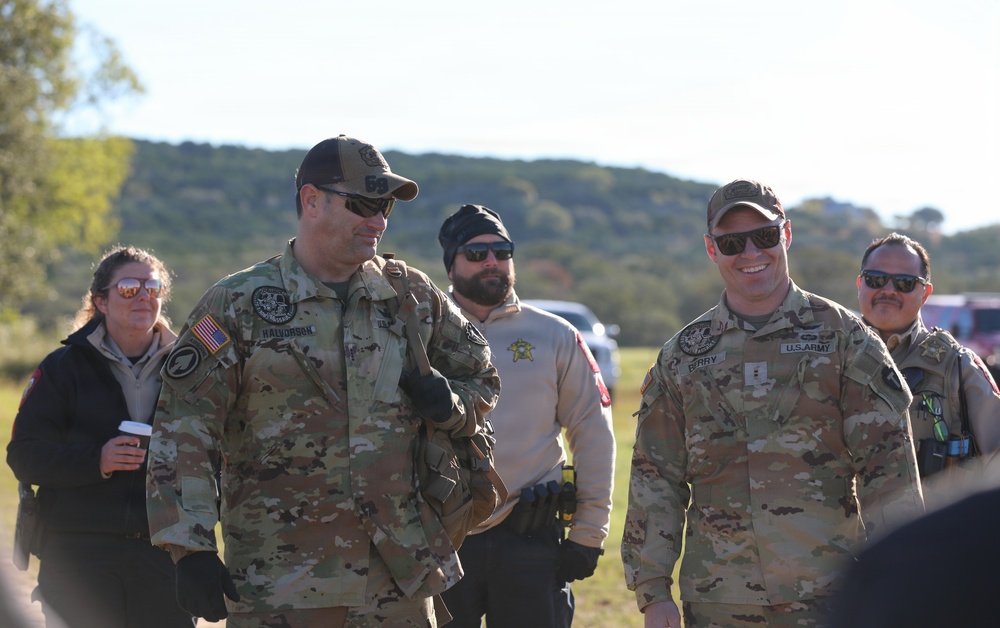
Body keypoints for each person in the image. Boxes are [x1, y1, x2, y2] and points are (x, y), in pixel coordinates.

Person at [145, 135, 501, 627]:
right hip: (281, 583)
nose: (378, 220)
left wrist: (449, 405)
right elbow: (183, 428)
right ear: (311, 201)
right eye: (364, 204)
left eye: (385, 207)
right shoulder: (240, 303)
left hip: (399, 578)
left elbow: (481, 379)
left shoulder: (410, 294)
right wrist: (191, 548)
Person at [621, 178, 924, 628]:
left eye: (764, 236)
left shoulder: (844, 339)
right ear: (711, 249)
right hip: (719, 598)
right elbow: (656, 478)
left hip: (830, 593)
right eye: (732, 242)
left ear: (786, 234)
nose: (750, 253)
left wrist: (903, 583)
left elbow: (888, 470)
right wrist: (653, 592)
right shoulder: (683, 355)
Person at [435, 204, 616, 627]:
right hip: (440, 541)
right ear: (452, 264)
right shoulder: (422, 330)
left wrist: (589, 534)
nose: (492, 261)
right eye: (476, 253)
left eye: (502, 250)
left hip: (530, 541)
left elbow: (592, 431)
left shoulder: (555, 335)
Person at [7, 245, 193, 628]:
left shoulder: (188, 368)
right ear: (101, 302)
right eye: (128, 288)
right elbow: (23, 455)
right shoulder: (61, 368)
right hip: (77, 555)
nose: (143, 296)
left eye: (153, 287)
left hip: (164, 554)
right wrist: (97, 460)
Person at [857, 233, 1000, 483]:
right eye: (876, 279)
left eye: (905, 283)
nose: (888, 290)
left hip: (930, 521)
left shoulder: (959, 366)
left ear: (925, 293)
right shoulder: (826, 356)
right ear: (860, 284)